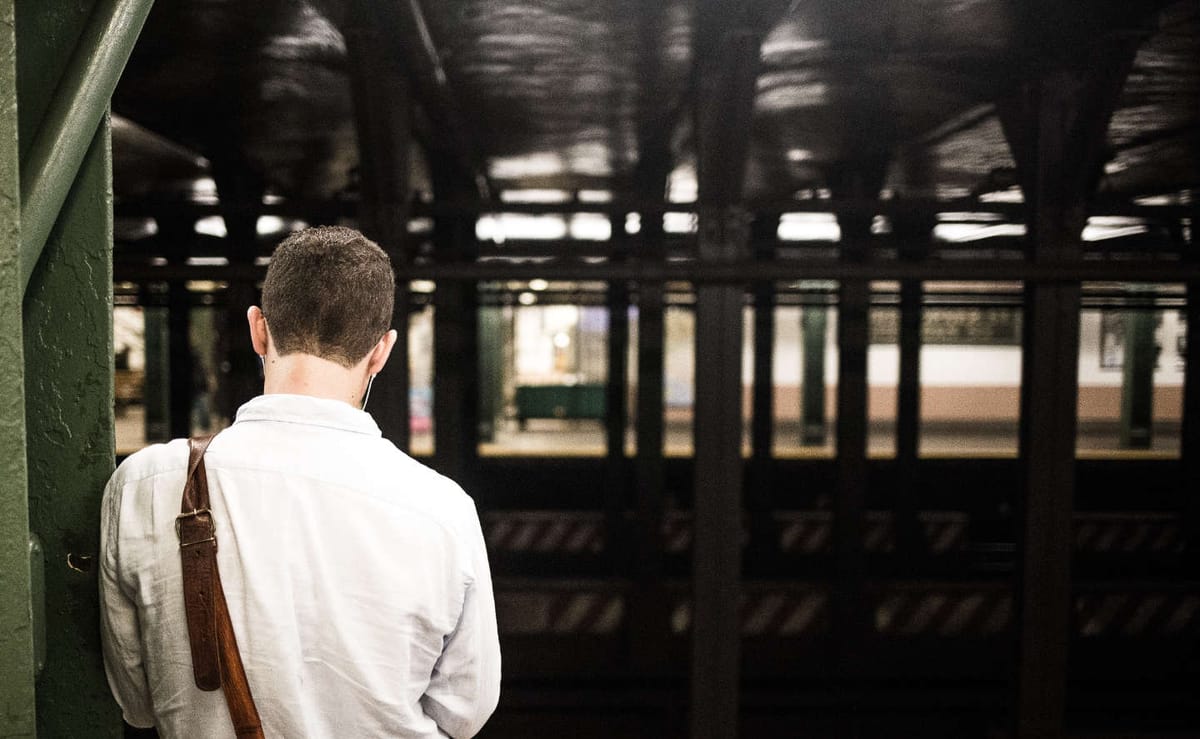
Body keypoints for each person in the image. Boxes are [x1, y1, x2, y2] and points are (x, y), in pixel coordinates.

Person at [100, 226, 501, 738]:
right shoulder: (442, 510)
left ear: (258, 330)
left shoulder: (144, 485)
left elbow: (136, 703)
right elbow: (464, 713)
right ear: (382, 351)